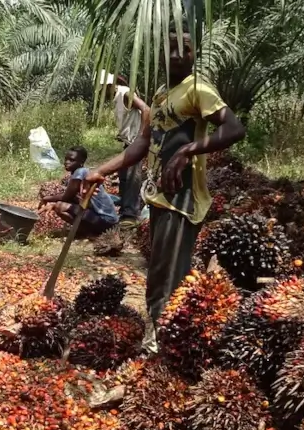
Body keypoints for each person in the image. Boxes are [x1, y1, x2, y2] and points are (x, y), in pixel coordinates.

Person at [85, 32, 246, 327]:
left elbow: (234, 128)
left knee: (169, 281)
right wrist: (101, 171)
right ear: (160, 55)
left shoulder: (198, 89)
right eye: (169, 49)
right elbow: (143, 142)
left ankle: (167, 336)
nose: (176, 55)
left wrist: (189, 149)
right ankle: (162, 332)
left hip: (182, 197)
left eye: (184, 49)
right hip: (159, 195)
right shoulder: (161, 93)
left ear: (194, 54)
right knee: (158, 275)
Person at [39, 146, 120, 237]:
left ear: (81, 162)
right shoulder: (81, 172)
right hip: (107, 220)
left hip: (106, 221)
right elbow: (73, 199)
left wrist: (46, 198)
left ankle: (87, 232)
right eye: (66, 159)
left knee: (59, 206)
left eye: (71, 160)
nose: (67, 162)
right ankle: (87, 231)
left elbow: (66, 197)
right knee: (61, 205)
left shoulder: (80, 172)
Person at [110, 75, 147, 227]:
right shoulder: (117, 95)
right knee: (124, 177)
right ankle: (126, 210)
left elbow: (146, 110)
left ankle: (131, 215)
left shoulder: (124, 93)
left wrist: (141, 136)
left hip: (135, 143)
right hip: (128, 143)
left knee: (132, 177)